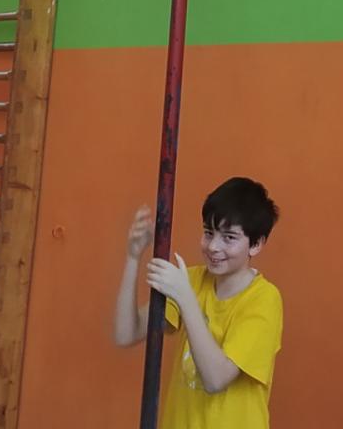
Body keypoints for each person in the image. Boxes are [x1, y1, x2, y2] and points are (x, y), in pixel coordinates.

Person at [113, 178, 283, 428]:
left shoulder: (264, 299)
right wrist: (132, 257)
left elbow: (216, 379)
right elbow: (126, 334)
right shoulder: (191, 280)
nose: (213, 246)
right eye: (208, 233)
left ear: (256, 244)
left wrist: (185, 297)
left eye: (229, 237)